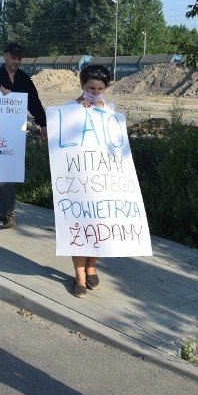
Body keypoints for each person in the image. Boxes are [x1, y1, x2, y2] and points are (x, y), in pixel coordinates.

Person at [0, 42, 48, 229]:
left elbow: (34, 102)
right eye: (13, 57)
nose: (16, 61)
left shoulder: (24, 79)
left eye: (19, 58)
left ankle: (7, 212)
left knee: (7, 173)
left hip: (14, 136)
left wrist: (43, 124)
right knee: (0, 174)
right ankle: (0, 207)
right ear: (5, 56)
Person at [67, 64, 116, 298]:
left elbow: (118, 143)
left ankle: (91, 265)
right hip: (78, 179)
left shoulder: (111, 109)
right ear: (82, 85)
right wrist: (79, 113)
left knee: (99, 227)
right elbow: (62, 142)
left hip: (104, 179)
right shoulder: (69, 108)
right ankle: (79, 278)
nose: (95, 93)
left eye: (100, 88)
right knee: (79, 229)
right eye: (90, 88)